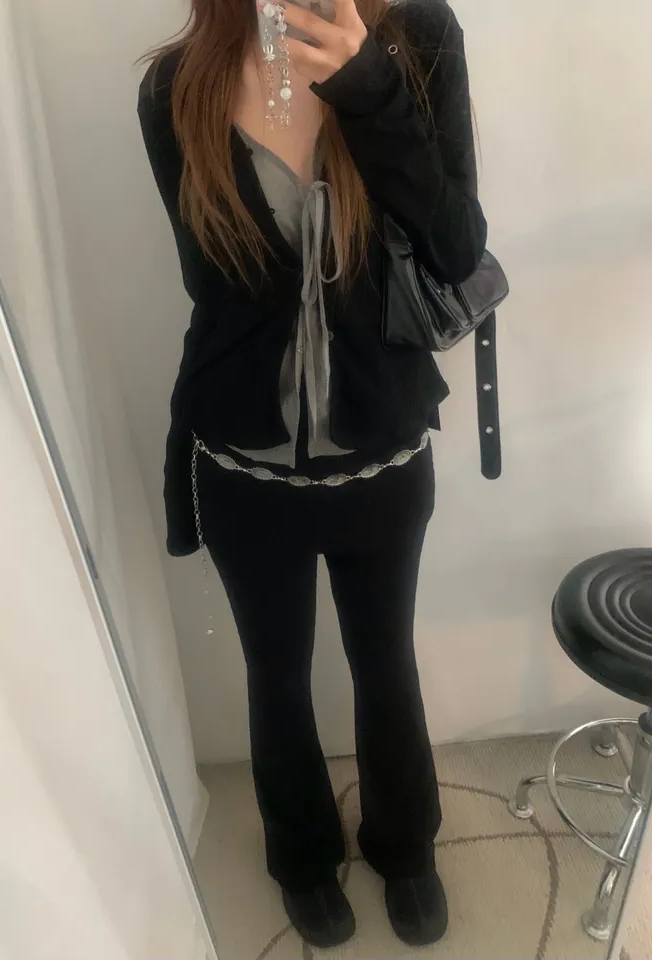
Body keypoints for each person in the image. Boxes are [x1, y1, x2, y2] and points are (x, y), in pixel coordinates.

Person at [138, 0, 486, 948]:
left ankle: (405, 845)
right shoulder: (175, 86)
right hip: (243, 459)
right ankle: (299, 856)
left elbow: (458, 243)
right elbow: (209, 286)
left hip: (383, 453)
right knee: (275, 675)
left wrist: (369, 91)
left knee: (386, 664)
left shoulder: (419, 39)